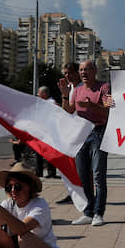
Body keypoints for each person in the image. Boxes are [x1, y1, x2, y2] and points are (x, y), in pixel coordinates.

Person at [60, 60, 110, 226]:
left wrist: (92, 106)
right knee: (83, 176)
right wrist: (65, 94)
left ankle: (98, 213)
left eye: (86, 69)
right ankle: (88, 212)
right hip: (81, 134)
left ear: (95, 71)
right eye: (81, 70)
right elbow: (69, 110)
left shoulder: (104, 87)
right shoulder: (78, 89)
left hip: (98, 132)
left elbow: (108, 110)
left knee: (98, 175)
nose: (83, 73)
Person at [56, 62, 82, 204]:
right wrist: (64, 95)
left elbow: (70, 110)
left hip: (80, 131)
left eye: (70, 72)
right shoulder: (70, 88)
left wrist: (65, 95)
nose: (67, 76)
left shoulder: (82, 88)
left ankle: (82, 193)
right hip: (70, 131)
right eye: (65, 73)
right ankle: (73, 192)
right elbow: (65, 110)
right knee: (70, 166)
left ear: (77, 73)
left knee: (80, 167)